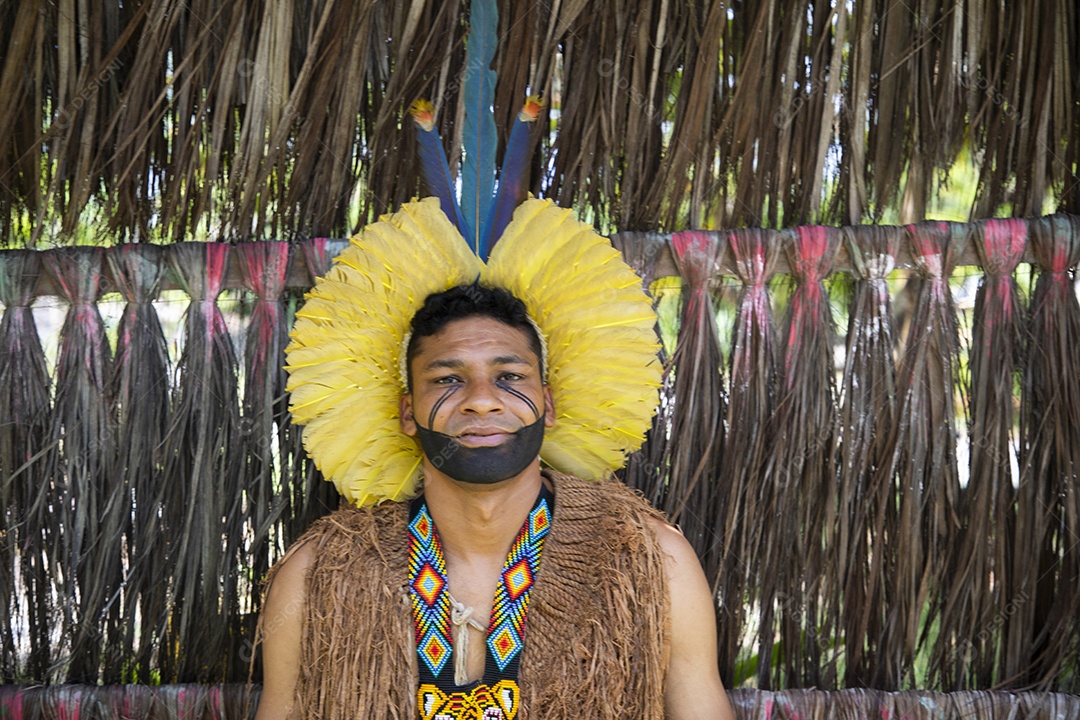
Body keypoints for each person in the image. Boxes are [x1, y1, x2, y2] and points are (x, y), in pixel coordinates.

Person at [253, 199, 736, 720]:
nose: (482, 399)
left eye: (509, 377)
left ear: (548, 404)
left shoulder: (652, 563)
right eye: (447, 380)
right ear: (408, 412)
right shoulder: (318, 574)